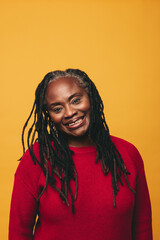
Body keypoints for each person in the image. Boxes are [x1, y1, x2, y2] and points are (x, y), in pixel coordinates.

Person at [9, 69, 152, 240]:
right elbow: (19, 232)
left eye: (76, 100)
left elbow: (142, 228)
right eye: (57, 108)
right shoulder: (36, 159)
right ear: (49, 115)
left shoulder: (127, 154)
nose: (69, 113)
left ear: (91, 97)